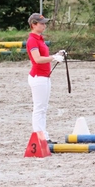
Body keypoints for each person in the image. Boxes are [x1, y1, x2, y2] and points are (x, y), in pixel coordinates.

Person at [26, 13, 65, 144]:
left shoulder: (40, 39)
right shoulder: (32, 40)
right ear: (33, 25)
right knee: (39, 108)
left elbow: (45, 57)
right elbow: (37, 59)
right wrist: (54, 58)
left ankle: (44, 136)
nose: (44, 25)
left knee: (43, 108)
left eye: (44, 23)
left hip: (45, 77)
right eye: (41, 23)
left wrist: (57, 55)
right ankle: (40, 137)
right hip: (38, 77)